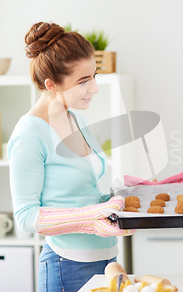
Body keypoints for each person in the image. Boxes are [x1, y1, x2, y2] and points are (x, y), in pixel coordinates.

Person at [8, 22, 134, 292]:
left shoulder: (75, 119)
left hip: (106, 261)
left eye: (94, 75)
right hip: (67, 265)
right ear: (51, 85)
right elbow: (26, 216)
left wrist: (124, 205)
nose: (95, 88)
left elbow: (83, 197)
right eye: (83, 81)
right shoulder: (29, 133)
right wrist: (91, 219)